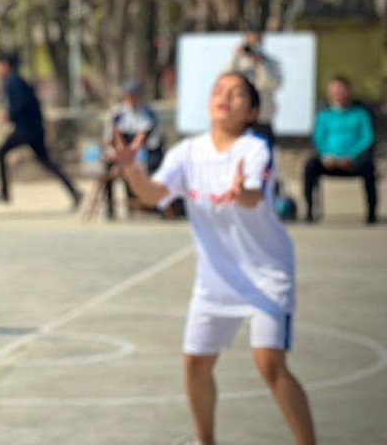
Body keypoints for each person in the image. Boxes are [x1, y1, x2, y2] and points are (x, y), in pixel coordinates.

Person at [111, 72, 316, 445]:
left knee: (269, 363)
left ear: (252, 111)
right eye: (219, 90)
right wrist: (131, 169)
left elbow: (253, 195)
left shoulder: (254, 149)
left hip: (266, 274)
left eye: (237, 94)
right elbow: (154, 195)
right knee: (195, 365)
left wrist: (241, 193)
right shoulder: (187, 152)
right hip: (216, 279)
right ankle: (205, 441)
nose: (226, 97)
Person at [0, 50, 81, 207]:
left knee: (0, 152)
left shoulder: (14, 82)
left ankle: (4, 191)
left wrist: (10, 115)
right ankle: (73, 191)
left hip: (26, 129)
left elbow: (20, 105)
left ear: (5, 65)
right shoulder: (16, 81)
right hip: (33, 128)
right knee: (46, 161)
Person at [303, 76, 378, 224]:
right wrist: (326, 155)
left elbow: (367, 138)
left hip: (353, 161)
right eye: (335, 91)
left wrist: (352, 156)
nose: (338, 94)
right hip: (329, 160)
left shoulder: (360, 114)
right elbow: (318, 138)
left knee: (369, 167)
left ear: (349, 92)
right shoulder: (324, 115)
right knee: (310, 166)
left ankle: (371, 213)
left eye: (341, 91)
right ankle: (310, 211)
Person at [100, 79, 164, 219]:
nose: (132, 98)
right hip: (123, 149)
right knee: (108, 165)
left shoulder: (149, 113)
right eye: (129, 95)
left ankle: (156, 206)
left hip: (146, 148)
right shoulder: (117, 114)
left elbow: (145, 139)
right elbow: (110, 138)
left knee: (154, 165)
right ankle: (110, 209)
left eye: (135, 95)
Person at [225, 30, 282, 146]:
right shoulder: (236, 63)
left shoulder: (271, 63)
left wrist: (261, 64)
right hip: (239, 119)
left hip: (262, 119)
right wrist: (236, 56)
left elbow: (272, 84)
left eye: (256, 42)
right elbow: (225, 80)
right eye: (250, 42)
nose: (253, 46)